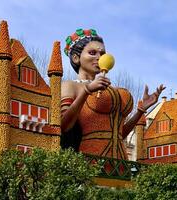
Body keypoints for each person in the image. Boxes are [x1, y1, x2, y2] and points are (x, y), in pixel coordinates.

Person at [61, 29, 165, 160]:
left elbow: (118, 134)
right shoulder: (70, 86)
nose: (99, 57)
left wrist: (140, 110)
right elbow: (63, 125)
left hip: (118, 161)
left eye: (102, 53)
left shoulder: (108, 88)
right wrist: (87, 91)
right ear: (76, 58)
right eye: (92, 53)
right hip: (89, 161)